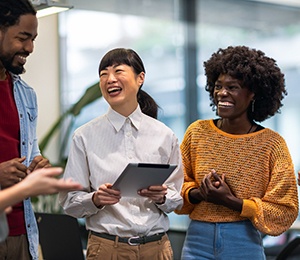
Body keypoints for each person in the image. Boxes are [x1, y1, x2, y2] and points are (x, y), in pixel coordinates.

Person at [175, 45, 299, 259]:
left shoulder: (272, 144)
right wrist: (199, 193)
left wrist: (232, 201)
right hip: (196, 240)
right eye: (218, 86)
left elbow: (284, 210)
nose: (222, 93)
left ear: (252, 94)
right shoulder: (197, 132)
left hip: (244, 242)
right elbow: (174, 187)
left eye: (232, 87)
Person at [59, 48, 183, 260]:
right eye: (103, 74)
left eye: (118, 71)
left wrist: (162, 196)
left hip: (157, 248)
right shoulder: (84, 136)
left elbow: (177, 198)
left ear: (140, 78)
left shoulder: (164, 135)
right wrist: (96, 199)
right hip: (107, 249)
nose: (110, 79)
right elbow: (70, 202)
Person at [0, 1, 52, 259]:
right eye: (23, 38)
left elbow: (30, 151)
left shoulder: (25, 94)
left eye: (33, 39)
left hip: (22, 233)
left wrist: (38, 165)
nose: (30, 48)